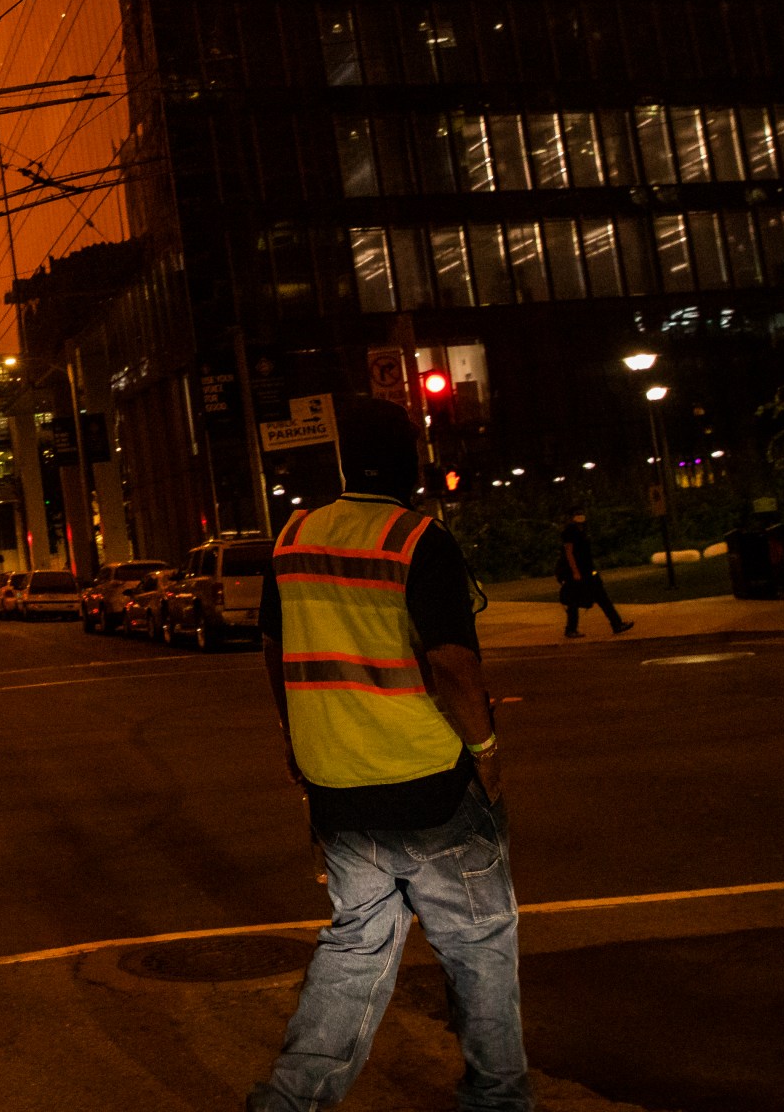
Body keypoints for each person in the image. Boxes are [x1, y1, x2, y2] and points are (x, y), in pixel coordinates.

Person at [249, 397, 529, 1112]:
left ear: (346, 461)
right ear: (411, 465)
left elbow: (276, 654)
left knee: (355, 951)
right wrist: (488, 752)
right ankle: (497, 1102)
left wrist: (296, 742)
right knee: (480, 947)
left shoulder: (294, 538)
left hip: (340, 791)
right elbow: (453, 664)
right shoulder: (416, 540)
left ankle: (290, 1103)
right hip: (431, 785)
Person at [555, 509, 632, 638]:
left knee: (601, 596)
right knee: (573, 601)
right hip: (576, 572)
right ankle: (571, 629)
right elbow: (569, 553)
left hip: (588, 569)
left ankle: (616, 623)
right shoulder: (569, 532)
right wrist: (575, 572)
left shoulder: (583, 530)